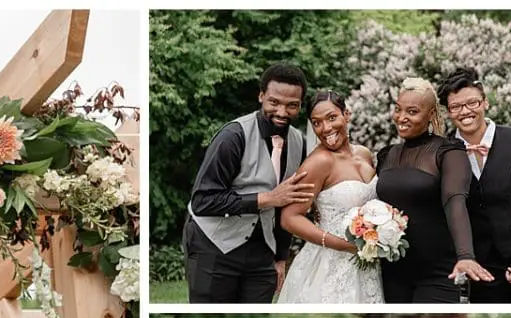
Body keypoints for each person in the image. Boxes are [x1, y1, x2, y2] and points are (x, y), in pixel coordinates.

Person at [184, 64, 315, 302]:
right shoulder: (233, 136)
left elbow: (290, 203)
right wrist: (267, 199)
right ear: (261, 96)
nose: (282, 112)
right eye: (274, 102)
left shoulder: (300, 143)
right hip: (214, 246)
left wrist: (280, 257)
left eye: (291, 105)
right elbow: (202, 201)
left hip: (262, 251)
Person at [438, 68, 511, 303]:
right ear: (449, 113)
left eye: (472, 103)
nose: (465, 112)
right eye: (456, 107)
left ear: (485, 103)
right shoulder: (446, 152)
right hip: (482, 269)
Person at [376, 77, 494, 302]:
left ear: (430, 115)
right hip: (392, 271)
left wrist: (466, 255)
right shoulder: (385, 155)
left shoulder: (449, 151)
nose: (401, 118)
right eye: (398, 109)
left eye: (412, 111)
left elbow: (454, 200)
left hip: (437, 271)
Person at [274, 91, 382, 303]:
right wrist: (340, 244)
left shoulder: (364, 154)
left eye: (332, 118)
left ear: (346, 115)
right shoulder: (318, 163)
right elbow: (289, 218)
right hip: (328, 262)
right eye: (317, 123)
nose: (326, 129)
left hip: (367, 260)